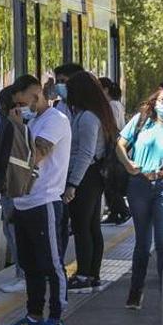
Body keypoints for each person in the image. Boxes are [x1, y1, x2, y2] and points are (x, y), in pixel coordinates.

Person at [1, 75, 72, 325]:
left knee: (52, 263)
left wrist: (19, 128)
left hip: (45, 201)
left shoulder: (56, 120)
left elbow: (37, 154)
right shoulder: (35, 120)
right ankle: (33, 314)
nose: (20, 108)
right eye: (16, 106)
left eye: (22, 102)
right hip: (23, 202)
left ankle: (56, 317)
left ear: (36, 94)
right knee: (29, 264)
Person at [115, 83, 163, 310]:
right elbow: (120, 144)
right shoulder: (142, 121)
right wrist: (129, 165)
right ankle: (135, 290)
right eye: (162, 99)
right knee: (142, 242)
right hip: (139, 184)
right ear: (154, 101)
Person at [62, 71, 119, 293]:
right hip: (94, 175)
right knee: (92, 226)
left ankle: (84, 274)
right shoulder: (98, 114)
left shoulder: (87, 117)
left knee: (82, 226)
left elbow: (85, 152)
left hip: (85, 176)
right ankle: (92, 273)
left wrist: (72, 184)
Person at [0, 84, 28, 294]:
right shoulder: (13, 125)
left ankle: (23, 275)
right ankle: (21, 273)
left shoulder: (15, 126)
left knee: (15, 232)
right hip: (11, 190)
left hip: (14, 190)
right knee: (11, 230)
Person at [98, 76, 131, 225]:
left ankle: (121, 211)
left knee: (110, 182)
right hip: (115, 145)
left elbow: (113, 126)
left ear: (105, 89)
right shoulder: (116, 104)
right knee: (110, 182)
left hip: (113, 146)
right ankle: (115, 212)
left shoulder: (111, 105)